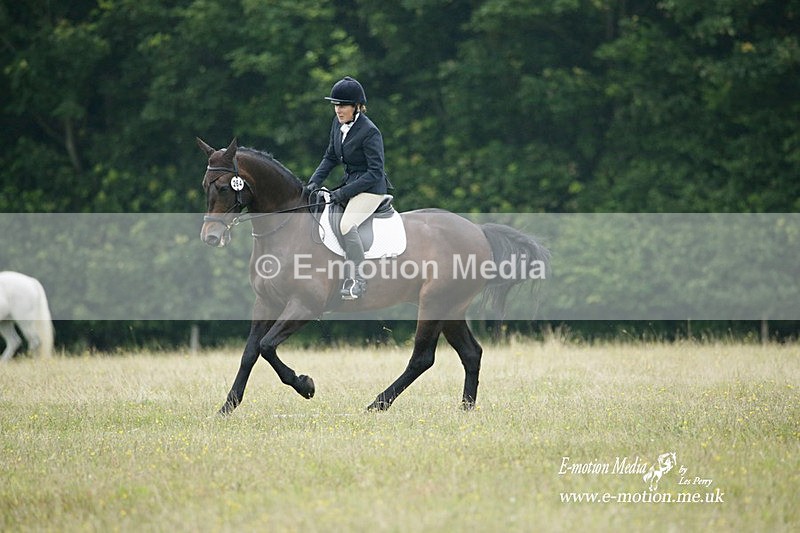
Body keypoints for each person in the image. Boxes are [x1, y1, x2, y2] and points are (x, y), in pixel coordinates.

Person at [305, 76, 391, 300]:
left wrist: (343, 192)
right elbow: (330, 156)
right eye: (335, 105)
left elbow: (375, 172)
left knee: (346, 225)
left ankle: (358, 281)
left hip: (372, 188)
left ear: (356, 106)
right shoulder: (338, 124)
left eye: (342, 105)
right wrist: (313, 183)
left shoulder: (370, 132)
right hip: (351, 184)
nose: (337, 109)